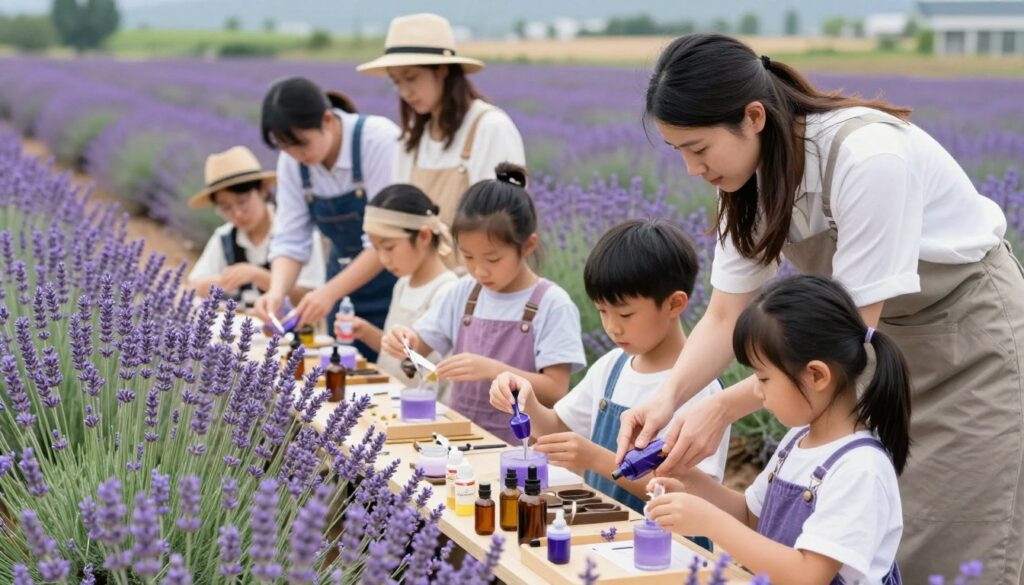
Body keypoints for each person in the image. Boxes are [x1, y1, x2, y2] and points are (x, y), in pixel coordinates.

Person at [616, 33, 1024, 584]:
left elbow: (853, 336)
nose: (693, 170)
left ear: (753, 116)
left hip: (965, 344)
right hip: (865, 354)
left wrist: (720, 409)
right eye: (680, 153)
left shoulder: (868, 158)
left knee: (953, 543)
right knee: (869, 531)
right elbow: (723, 315)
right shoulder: (746, 179)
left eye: (698, 149)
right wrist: (666, 399)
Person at [648, 275, 908, 585]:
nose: (757, 392)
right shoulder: (797, 441)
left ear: (816, 375)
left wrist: (708, 522)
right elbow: (751, 517)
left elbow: (807, 575)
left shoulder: (860, 469)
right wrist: (690, 483)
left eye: (763, 378)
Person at [489, 219, 728, 516]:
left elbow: (692, 495)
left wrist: (594, 458)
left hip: (667, 547)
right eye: (602, 311)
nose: (612, 327)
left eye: (625, 314)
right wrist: (524, 401)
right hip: (604, 535)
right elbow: (557, 427)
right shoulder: (612, 366)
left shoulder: (701, 389)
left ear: (675, 304)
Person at [381, 163, 585, 442]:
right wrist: (404, 341)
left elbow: (556, 389)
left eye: (492, 259)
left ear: (528, 246)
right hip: (461, 437)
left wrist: (492, 370)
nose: (480, 271)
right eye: (468, 257)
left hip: (523, 450)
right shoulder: (463, 291)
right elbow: (420, 344)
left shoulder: (552, 304)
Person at [253, 77, 400, 362]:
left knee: (392, 369)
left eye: (302, 145)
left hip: (393, 284)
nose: (297, 155)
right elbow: (290, 239)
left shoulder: (378, 141)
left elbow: (386, 240)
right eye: (287, 149)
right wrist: (276, 292)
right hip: (341, 286)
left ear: (328, 120)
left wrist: (327, 293)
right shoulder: (293, 163)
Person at [357, 13, 525, 228]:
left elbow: (506, 221)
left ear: (443, 70)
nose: (404, 92)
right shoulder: (413, 138)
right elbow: (398, 218)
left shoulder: (490, 128)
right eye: (396, 81)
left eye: (411, 78)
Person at [351, 183, 458, 399]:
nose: (383, 259)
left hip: (421, 410)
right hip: (390, 400)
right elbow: (400, 353)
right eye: (377, 249)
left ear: (424, 237)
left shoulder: (446, 291)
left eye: (389, 247)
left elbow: (426, 362)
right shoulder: (402, 284)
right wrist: (367, 332)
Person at [186, 146, 325, 305]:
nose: (237, 213)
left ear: (263, 191)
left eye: (242, 201)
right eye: (226, 207)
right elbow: (193, 286)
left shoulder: (296, 231)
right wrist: (224, 281)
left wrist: (258, 276)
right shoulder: (224, 237)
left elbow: (310, 295)